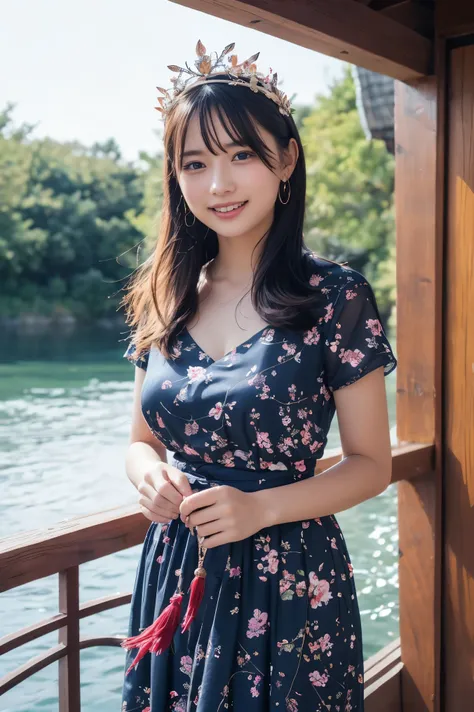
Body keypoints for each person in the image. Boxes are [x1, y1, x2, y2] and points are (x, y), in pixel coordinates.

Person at [120, 39, 397, 712]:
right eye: (196, 162)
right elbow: (140, 442)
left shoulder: (335, 296)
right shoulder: (166, 294)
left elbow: (371, 464)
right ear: (176, 177)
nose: (218, 183)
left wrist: (259, 509)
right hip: (179, 571)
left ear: (286, 160)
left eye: (241, 154)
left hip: (290, 579)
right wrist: (149, 478)